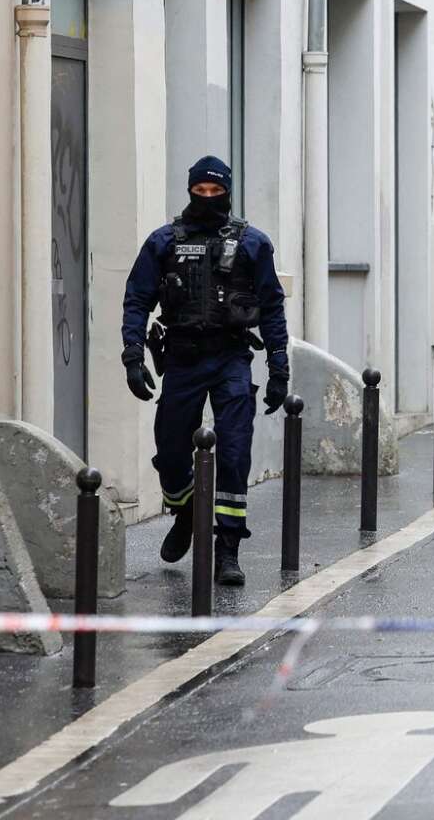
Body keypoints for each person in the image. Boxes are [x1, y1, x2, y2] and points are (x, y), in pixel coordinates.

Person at [121, 155, 288, 587]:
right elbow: (137, 299)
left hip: (231, 358)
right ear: (190, 190)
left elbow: (271, 308)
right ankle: (185, 512)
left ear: (228, 193)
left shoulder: (253, 244)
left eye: (216, 192)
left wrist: (279, 368)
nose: (208, 198)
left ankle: (227, 550)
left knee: (233, 454)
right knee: (172, 452)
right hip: (182, 359)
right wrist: (132, 356)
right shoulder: (164, 242)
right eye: (201, 191)